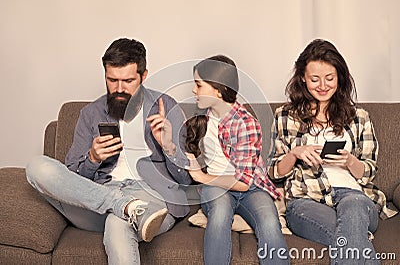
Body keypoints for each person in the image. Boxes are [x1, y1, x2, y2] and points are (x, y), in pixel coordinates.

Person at [26, 38, 192, 265]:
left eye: (128, 80)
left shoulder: (166, 106)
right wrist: (92, 159)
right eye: (112, 80)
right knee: (37, 167)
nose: (119, 89)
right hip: (99, 197)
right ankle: (123, 205)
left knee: (118, 222)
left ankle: (126, 208)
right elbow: (73, 180)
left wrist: (169, 146)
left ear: (143, 76)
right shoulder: (90, 114)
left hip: (151, 198)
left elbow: (186, 180)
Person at [269, 39, 397, 264]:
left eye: (329, 78)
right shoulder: (284, 116)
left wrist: (349, 161)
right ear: (302, 79)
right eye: (314, 79)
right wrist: (294, 153)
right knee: (353, 240)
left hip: (354, 197)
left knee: (354, 207)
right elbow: (273, 173)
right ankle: (358, 239)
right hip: (306, 200)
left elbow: (368, 173)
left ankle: (354, 236)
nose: (323, 85)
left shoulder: (359, 117)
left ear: (339, 77)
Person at [185, 55, 289, 265]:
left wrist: (203, 177)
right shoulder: (201, 117)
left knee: (270, 221)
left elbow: (242, 183)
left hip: (249, 187)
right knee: (220, 214)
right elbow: (184, 152)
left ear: (218, 89)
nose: (194, 91)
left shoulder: (244, 123)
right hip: (217, 189)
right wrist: (169, 143)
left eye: (198, 85)